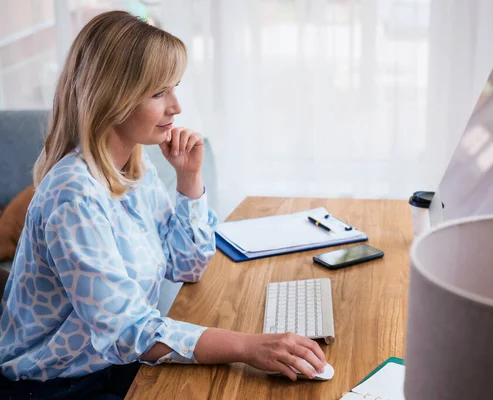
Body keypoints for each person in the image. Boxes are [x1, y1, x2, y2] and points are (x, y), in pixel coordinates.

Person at [0, 11, 326, 400]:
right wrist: (248, 347)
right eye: (158, 93)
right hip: (55, 386)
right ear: (111, 97)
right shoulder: (72, 196)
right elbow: (126, 332)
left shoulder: (134, 172)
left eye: (174, 88)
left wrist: (189, 180)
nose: (176, 106)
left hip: (110, 366)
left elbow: (186, 265)